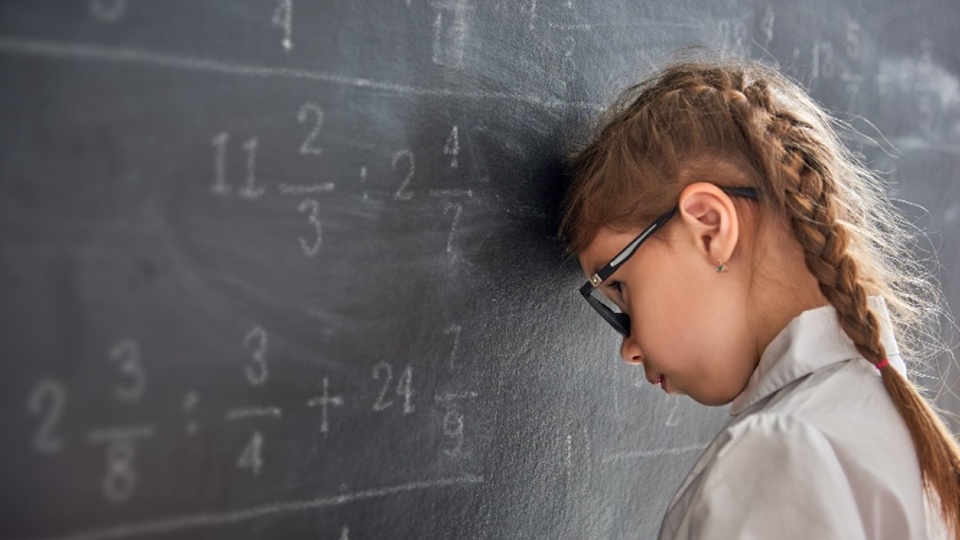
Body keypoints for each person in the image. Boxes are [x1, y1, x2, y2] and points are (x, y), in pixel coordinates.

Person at [559, 54, 960, 539]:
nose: (629, 348)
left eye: (620, 287)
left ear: (709, 226)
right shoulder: (892, 431)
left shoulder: (781, 456)